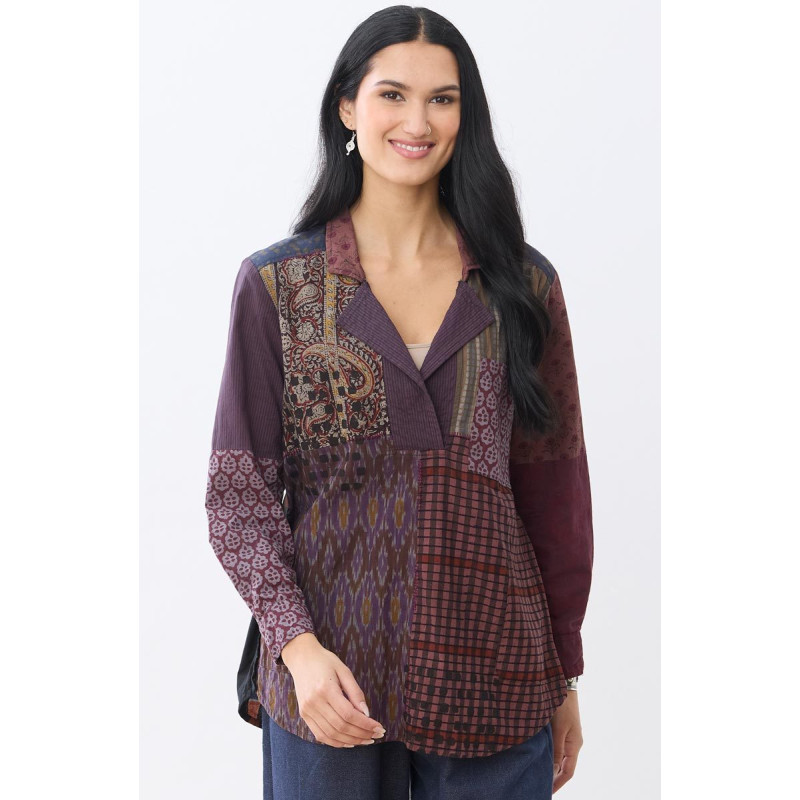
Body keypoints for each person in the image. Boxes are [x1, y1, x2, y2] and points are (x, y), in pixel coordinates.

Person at [205, 5, 594, 799]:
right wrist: (297, 649)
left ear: (465, 116)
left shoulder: (524, 287)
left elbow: (556, 496)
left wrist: (564, 674)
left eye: (442, 99)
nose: (417, 122)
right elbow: (239, 497)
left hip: (497, 675)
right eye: (393, 95)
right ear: (348, 107)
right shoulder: (279, 286)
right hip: (330, 684)